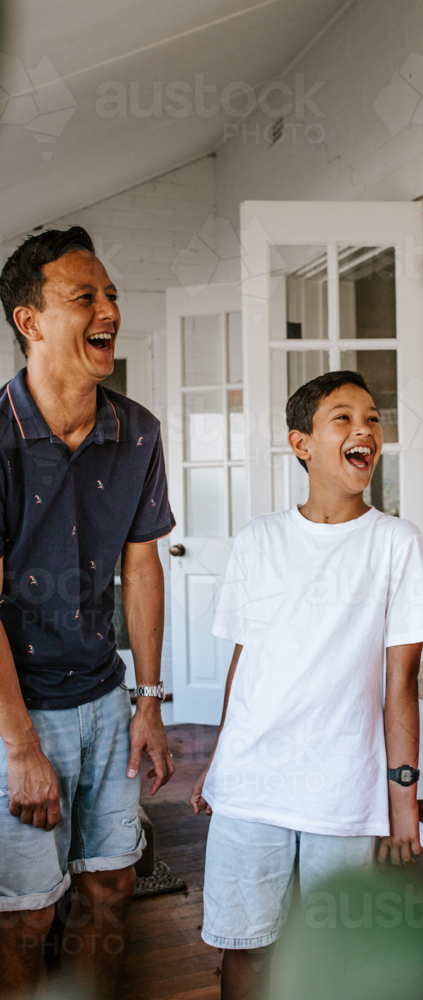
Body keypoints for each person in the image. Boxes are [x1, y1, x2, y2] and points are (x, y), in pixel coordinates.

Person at [190, 370, 423, 1000]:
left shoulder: (396, 543)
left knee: (337, 960)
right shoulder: (259, 539)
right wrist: (218, 760)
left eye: (373, 419)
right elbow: (245, 660)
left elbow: (402, 682)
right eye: (343, 418)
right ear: (301, 443)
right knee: (247, 950)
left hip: (344, 789)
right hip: (252, 783)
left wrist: (403, 801)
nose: (365, 429)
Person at [0, 227, 176, 998]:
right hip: (16, 709)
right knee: (25, 915)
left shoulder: (137, 431)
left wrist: (148, 701)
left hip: (105, 699)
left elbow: (142, 569)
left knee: (112, 887)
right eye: (84, 297)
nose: (108, 311)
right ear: (29, 321)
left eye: (110, 296)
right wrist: (21, 747)